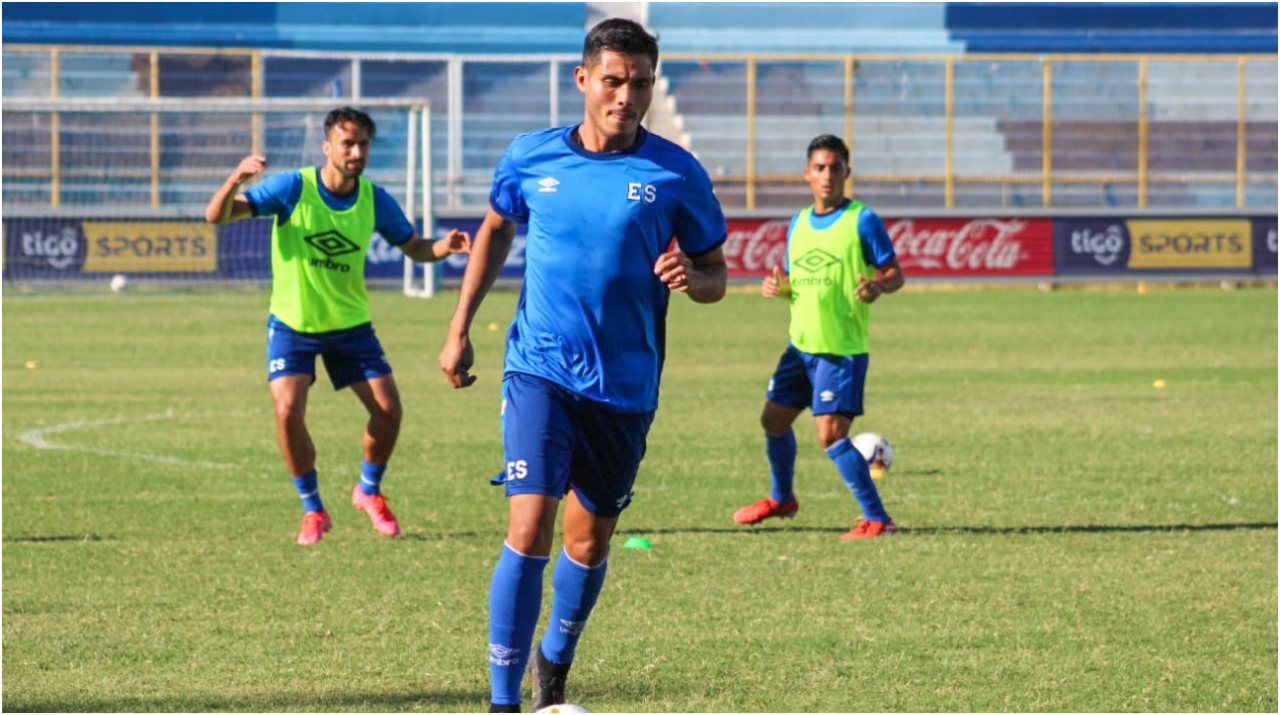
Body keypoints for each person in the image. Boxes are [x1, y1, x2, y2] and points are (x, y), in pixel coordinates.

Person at [438, 19, 727, 713]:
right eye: (614, 81)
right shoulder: (529, 157)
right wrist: (459, 327)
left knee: (589, 541)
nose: (627, 97)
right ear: (583, 79)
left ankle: (555, 660)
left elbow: (717, 275)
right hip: (538, 368)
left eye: (642, 84)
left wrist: (693, 276)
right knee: (528, 526)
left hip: (625, 386)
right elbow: (496, 229)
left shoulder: (676, 173)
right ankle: (503, 702)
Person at [205, 106, 470, 546]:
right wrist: (235, 179)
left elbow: (416, 248)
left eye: (363, 144)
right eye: (348, 143)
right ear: (327, 147)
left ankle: (368, 490)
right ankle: (313, 508)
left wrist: (445, 246)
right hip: (293, 324)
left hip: (350, 325)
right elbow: (217, 216)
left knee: (389, 411)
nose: (356, 152)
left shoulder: (374, 199)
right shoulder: (293, 187)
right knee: (287, 412)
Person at [732, 134, 905, 539]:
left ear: (847, 172)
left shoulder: (862, 219)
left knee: (830, 434)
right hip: (800, 348)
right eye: (820, 168)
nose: (827, 175)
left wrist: (879, 285)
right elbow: (796, 279)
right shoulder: (798, 223)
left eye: (835, 168)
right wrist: (780, 287)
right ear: (807, 173)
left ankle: (878, 519)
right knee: (773, 420)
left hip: (840, 350)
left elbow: (895, 274)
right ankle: (782, 499)